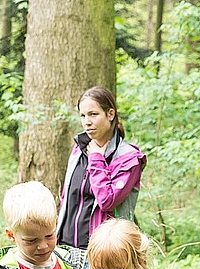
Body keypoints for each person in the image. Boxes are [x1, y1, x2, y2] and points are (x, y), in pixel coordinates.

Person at [56, 86, 147, 250]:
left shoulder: (129, 158)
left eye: (93, 114)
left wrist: (96, 159)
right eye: (83, 116)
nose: (87, 122)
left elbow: (107, 201)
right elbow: (66, 199)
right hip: (65, 250)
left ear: (110, 114)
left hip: (103, 253)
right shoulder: (79, 150)